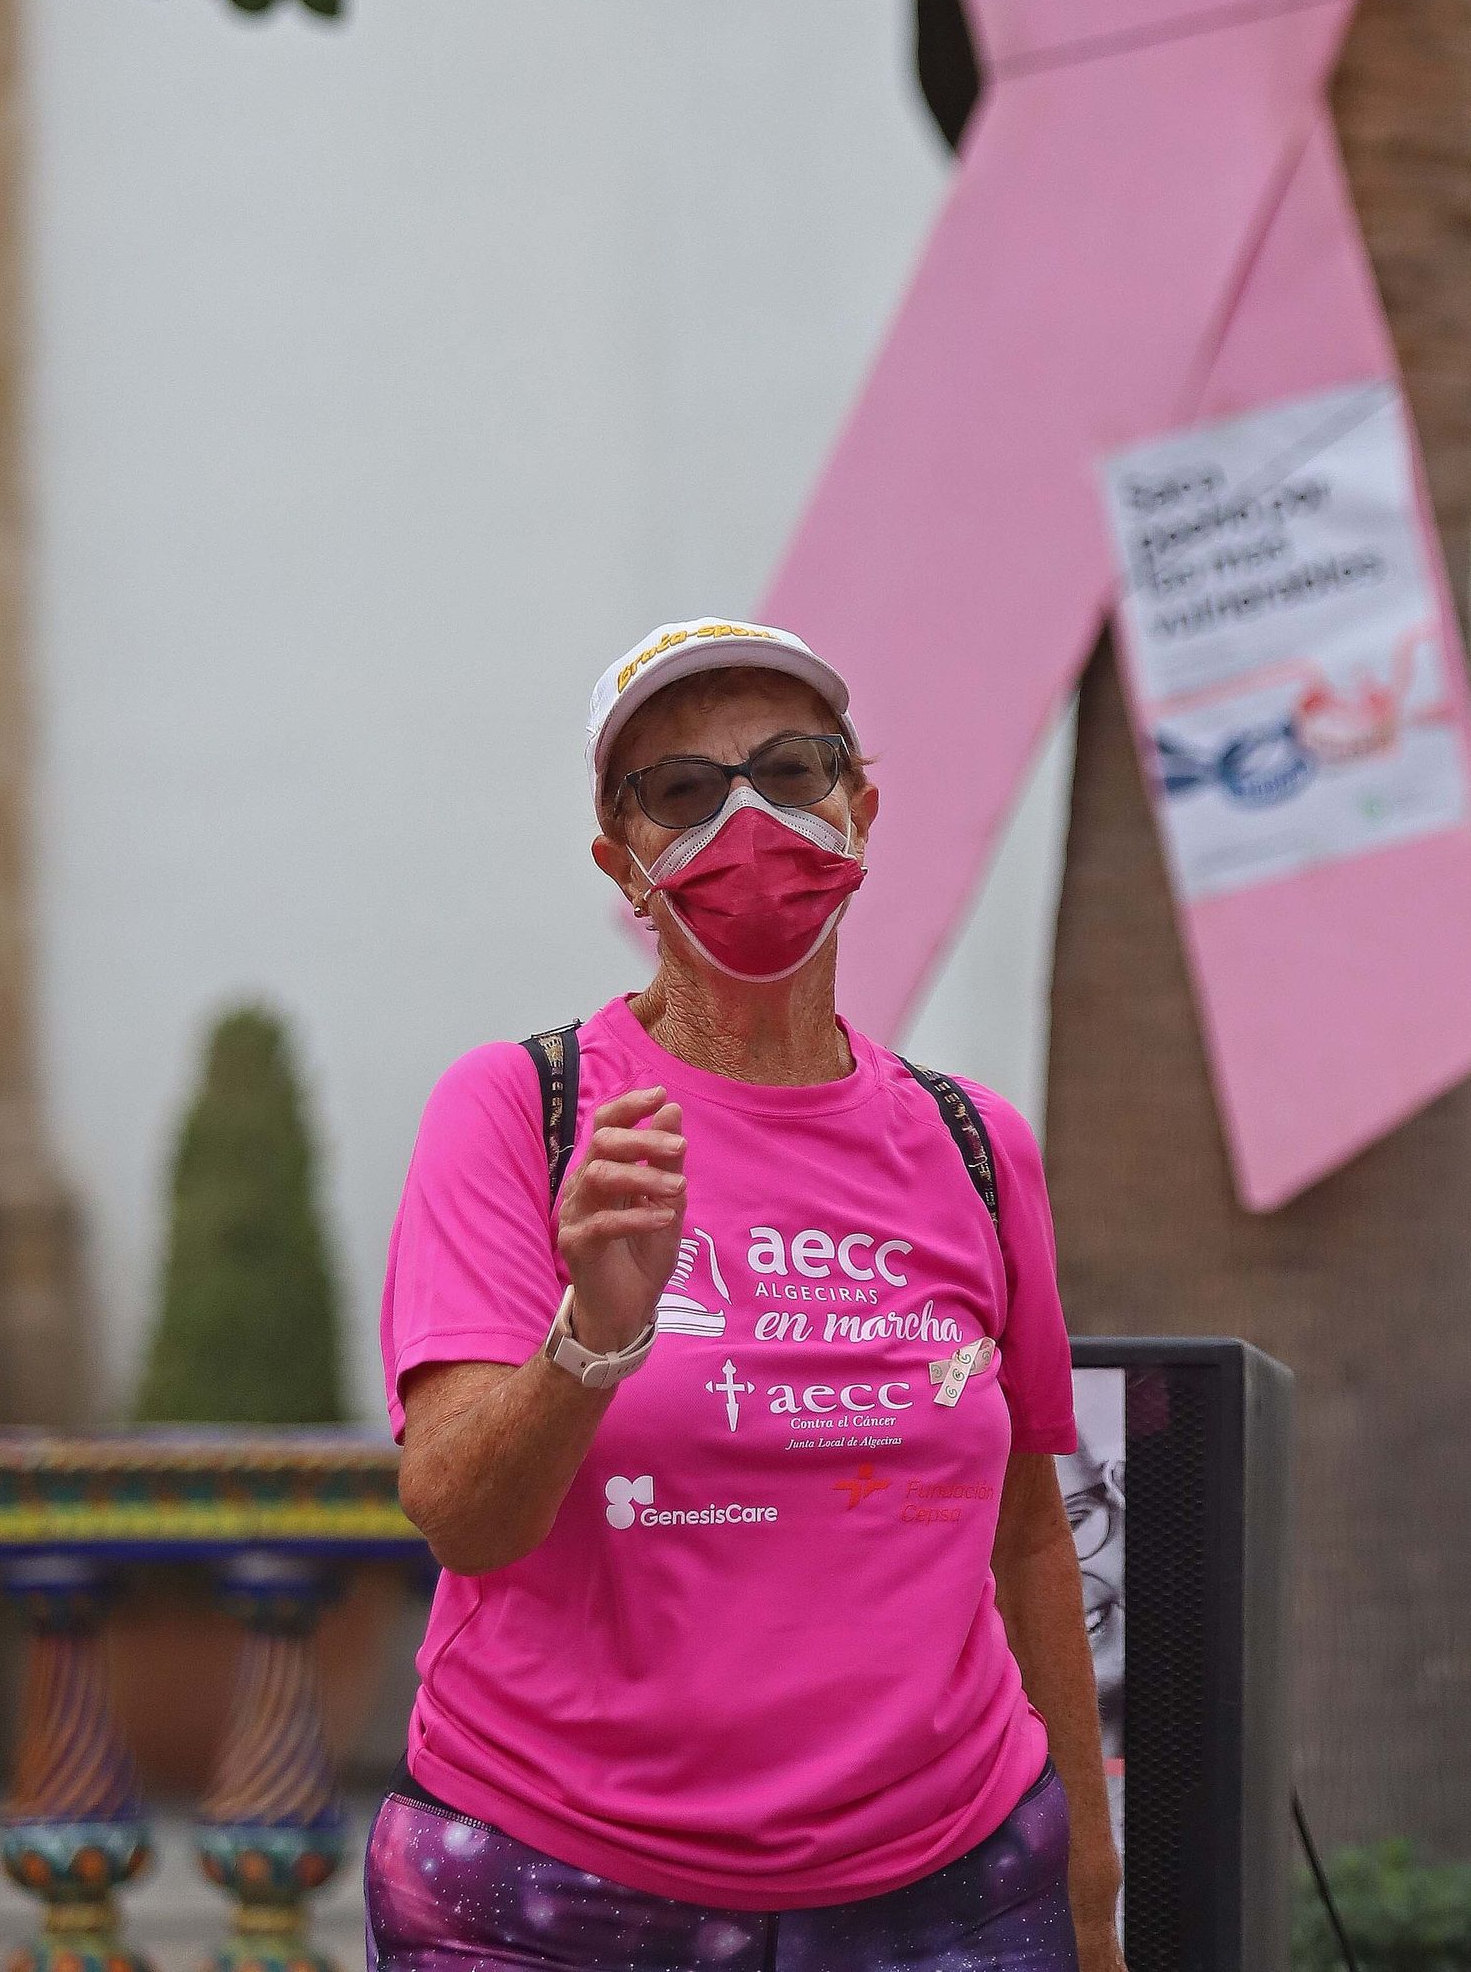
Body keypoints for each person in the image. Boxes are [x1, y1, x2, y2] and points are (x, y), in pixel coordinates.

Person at [369, 616, 1124, 1972]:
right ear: (622, 862)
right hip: (559, 1898)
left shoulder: (975, 1143)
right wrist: (592, 1339)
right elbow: (462, 1520)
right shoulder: (522, 1113)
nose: (748, 820)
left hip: (951, 1891)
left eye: (789, 771)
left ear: (859, 806)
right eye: (683, 791)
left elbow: (1028, 1537)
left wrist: (1089, 1877)